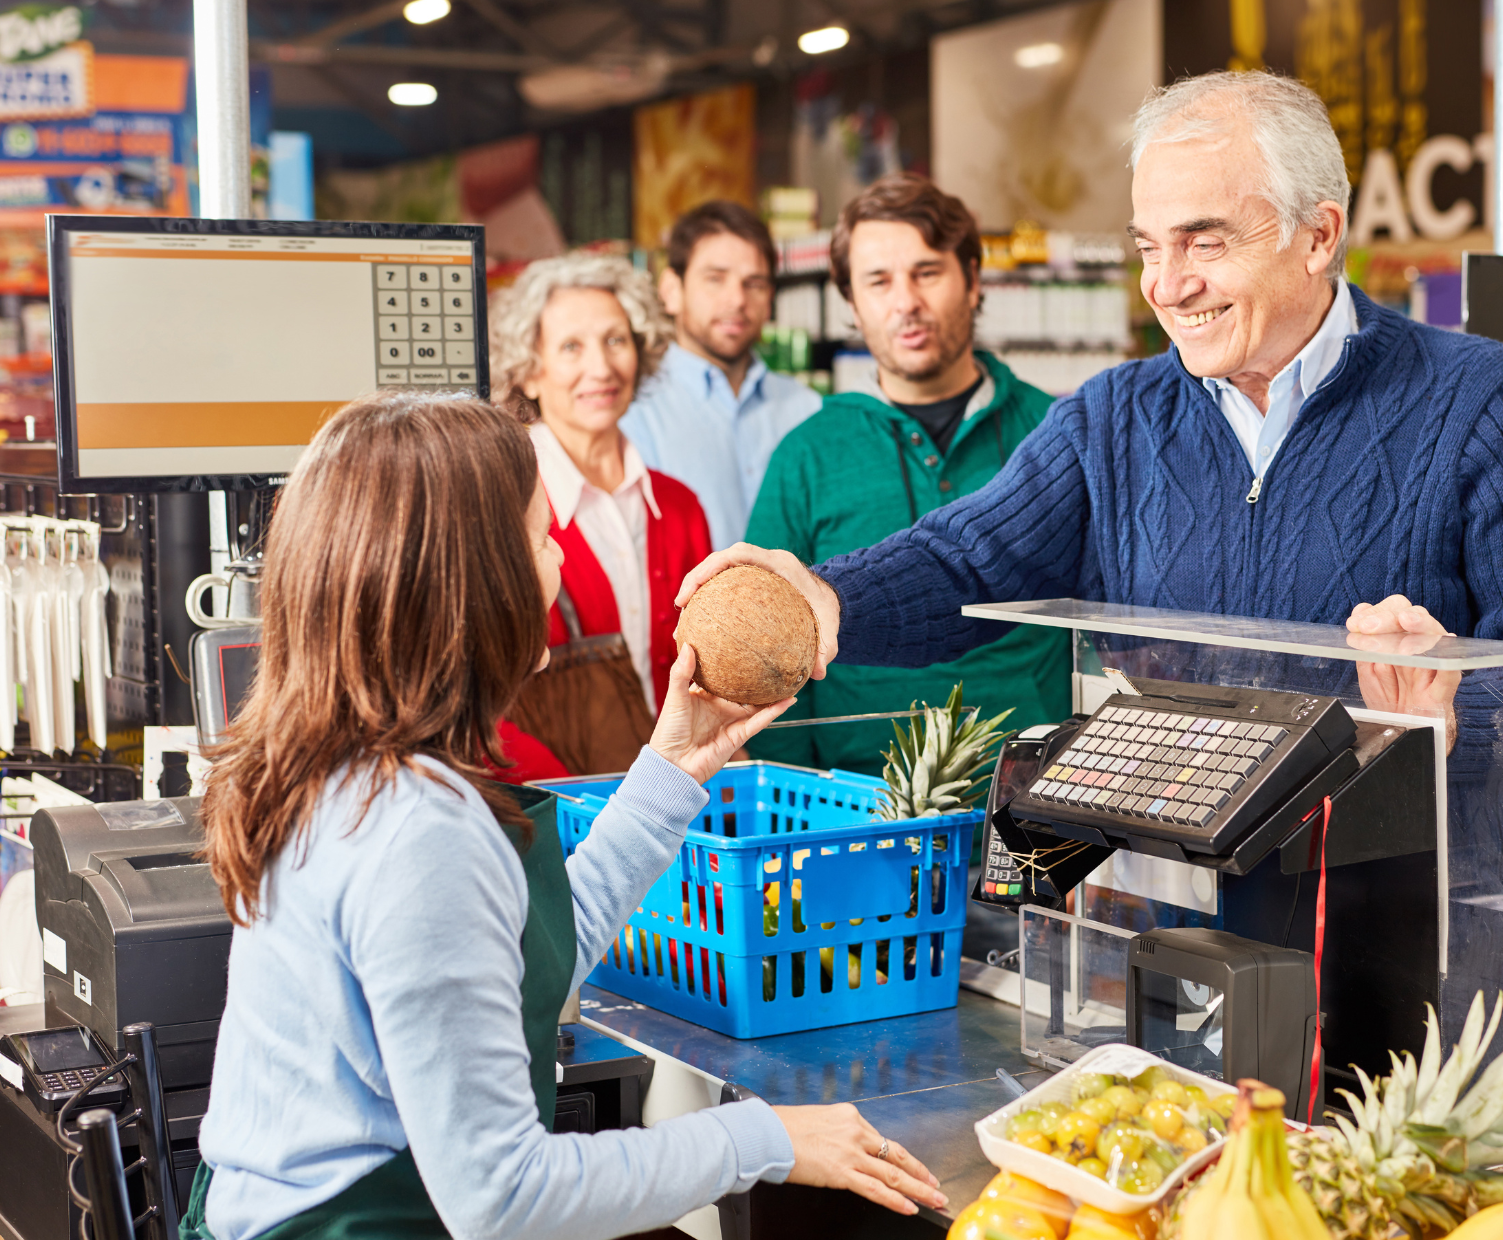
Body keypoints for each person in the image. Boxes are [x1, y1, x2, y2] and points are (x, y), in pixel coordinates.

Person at [681, 73, 1503, 1022]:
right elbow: (962, 558)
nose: (1168, 285)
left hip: (1420, 931)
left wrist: (1459, 695)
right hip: (1183, 928)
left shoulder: (1470, 397)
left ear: (1319, 234)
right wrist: (824, 598)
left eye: (1204, 241)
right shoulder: (1113, 419)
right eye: (1150, 246)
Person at [186, 392, 944, 1240]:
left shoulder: (346, 766)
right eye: (543, 537)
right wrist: (762, 1136)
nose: (556, 561)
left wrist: (673, 768)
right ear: (477, 580)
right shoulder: (416, 833)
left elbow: (523, 959)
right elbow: (504, 1197)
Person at [743, 173, 1071, 776]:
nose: (906, 302)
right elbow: (771, 649)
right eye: (878, 281)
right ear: (852, 303)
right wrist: (793, 798)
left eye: (926, 272)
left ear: (973, 281)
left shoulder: (1057, 431)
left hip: (1038, 806)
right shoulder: (807, 454)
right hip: (858, 812)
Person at [490, 253, 713, 778]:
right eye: (571, 347)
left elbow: (709, 670)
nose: (602, 367)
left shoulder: (680, 508)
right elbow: (478, 701)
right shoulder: (499, 503)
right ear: (529, 372)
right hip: (551, 810)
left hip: (681, 803)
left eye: (617, 340)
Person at [619, 201, 821, 550]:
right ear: (672, 290)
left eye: (754, 283)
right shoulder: (632, 412)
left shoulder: (807, 408)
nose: (737, 299)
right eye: (715, 279)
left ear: (770, 297)